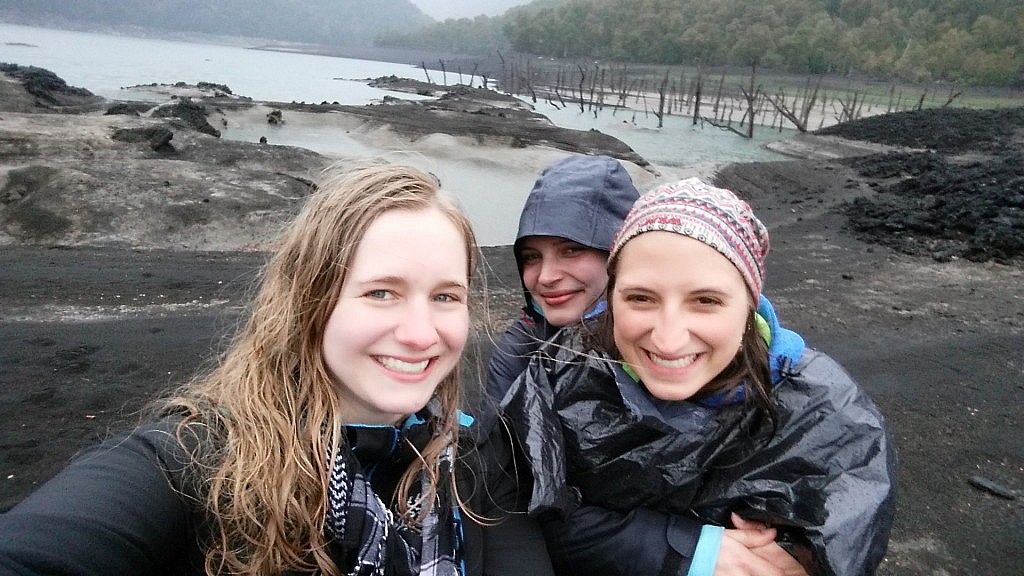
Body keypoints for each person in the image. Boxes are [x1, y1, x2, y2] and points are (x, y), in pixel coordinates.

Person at [0, 164, 554, 576]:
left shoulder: (477, 462)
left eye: (445, 296)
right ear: (309, 300)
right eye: (381, 292)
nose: (420, 333)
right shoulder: (192, 464)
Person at [500, 178, 897, 575]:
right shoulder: (560, 372)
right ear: (612, 295)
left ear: (750, 305)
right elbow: (511, 512)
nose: (668, 339)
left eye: (705, 301)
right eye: (641, 298)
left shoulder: (829, 416)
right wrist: (688, 550)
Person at [484, 154, 638, 404]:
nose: (546, 277)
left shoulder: (666, 341)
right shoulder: (520, 351)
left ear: (619, 254)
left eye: (571, 250)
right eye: (531, 256)